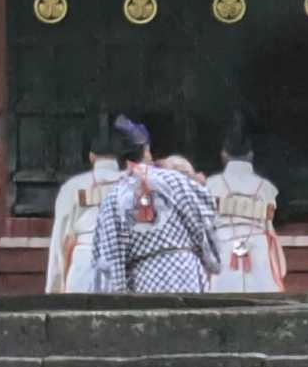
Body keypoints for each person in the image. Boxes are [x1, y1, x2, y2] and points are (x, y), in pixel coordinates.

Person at [91, 116, 220, 293]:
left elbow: (111, 257)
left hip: (144, 280)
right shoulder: (177, 181)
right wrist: (210, 260)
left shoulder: (113, 198)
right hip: (186, 272)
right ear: (146, 151)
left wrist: (120, 291)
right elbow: (204, 215)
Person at [204, 118, 287, 294]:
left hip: (223, 244)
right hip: (258, 246)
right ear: (251, 155)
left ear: (223, 154)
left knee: (221, 296)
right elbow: (269, 227)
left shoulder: (210, 185)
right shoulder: (266, 188)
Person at [45, 133, 123, 293]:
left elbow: (61, 234)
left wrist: (55, 283)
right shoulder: (130, 183)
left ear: (92, 156)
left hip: (84, 257)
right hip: (122, 260)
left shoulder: (73, 185)